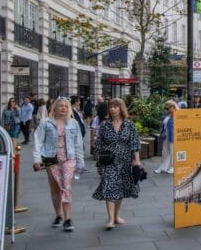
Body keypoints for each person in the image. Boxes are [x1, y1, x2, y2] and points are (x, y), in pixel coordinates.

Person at [33, 97, 85, 233]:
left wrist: (81, 162)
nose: (63, 108)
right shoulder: (46, 123)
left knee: (66, 186)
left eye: (66, 106)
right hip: (51, 159)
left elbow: (78, 143)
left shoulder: (73, 123)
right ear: (54, 108)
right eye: (60, 106)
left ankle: (68, 219)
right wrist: (37, 159)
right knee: (55, 189)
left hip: (69, 158)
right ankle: (58, 215)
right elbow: (38, 141)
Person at [92, 98, 142, 230]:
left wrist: (137, 161)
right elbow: (98, 145)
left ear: (121, 108)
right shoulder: (104, 125)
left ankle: (116, 216)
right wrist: (98, 163)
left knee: (120, 188)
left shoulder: (129, 124)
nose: (113, 109)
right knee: (109, 186)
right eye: (111, 107)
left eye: (115, 107)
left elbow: (135, 143)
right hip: (108, 161)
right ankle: (110, 219)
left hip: (125, 161)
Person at [154, 100, 176, 175]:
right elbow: (163, 125)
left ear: (173, 107)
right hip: (165, 136)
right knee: (165, 152)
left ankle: (173, 167)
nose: (167, 109)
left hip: (172, 136)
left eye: (168, 107)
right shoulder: (166, 115)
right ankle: (163, 167)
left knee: (172, 152)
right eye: (166, 107)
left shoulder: (177, 115)